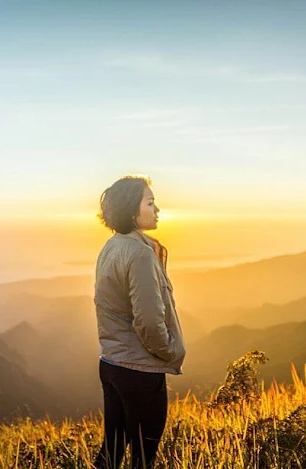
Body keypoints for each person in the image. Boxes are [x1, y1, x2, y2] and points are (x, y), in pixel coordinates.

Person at [93, 175, 186, 469]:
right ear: (133, 211)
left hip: (112, 365)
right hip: (140, 372)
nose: (157, 209)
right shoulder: (140, 254)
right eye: (151, 202)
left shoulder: (112, 246)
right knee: (143, 460)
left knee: (111, 453)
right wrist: (170, 352)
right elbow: (148, 322)